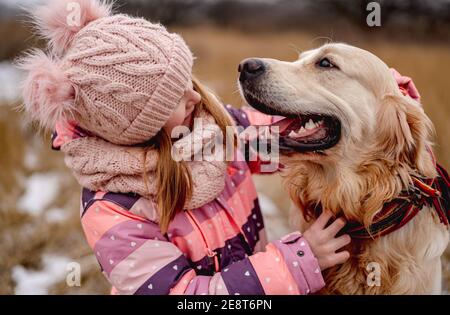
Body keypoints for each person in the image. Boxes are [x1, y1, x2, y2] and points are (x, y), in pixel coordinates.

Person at [18, 0, 350, 295]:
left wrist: (383, 97)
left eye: (188, 82)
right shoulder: (115, 211)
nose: (194, 97)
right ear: (138, 128)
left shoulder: (212, 131)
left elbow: (280, 142)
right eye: (175, 99)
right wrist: (297, 262)